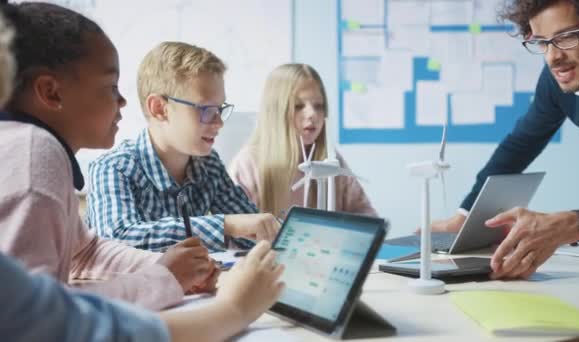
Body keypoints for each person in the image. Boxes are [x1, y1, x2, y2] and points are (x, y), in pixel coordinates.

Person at [0, 2, 218, 310]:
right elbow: (31, 316)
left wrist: (167, 266)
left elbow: (83, 253)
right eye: (110, 86)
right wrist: (165, 279)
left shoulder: (33, 148)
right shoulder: (33, 154)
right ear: (51, 92)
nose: (123, 101)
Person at [431, 0, 579, 279]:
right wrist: (465, 217)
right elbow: (521, 144)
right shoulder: (557, 83)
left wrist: (575, 223)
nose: (552, 57)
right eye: (542, 42)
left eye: (565, 37)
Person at [86, 41, 280, 253]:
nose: (219, 122)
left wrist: (274, 232)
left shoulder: (209, 164)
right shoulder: (113, 168)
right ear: (159, 108)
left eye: (220, 109)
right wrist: (226, 225)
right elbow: (118, 239)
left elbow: (252, 232)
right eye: (206, 109)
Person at [1, 241, 285, 342]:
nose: (122, 103)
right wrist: (233, 309)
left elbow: (87, 249)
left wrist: (171, 272)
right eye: (112, 99)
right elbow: (68, 326)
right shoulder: (35, 148)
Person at [230, 63, 376, 219]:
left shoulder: (330, 161)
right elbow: (235, 233)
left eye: (319, 106)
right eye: (298, 106)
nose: (312, 114)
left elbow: (367, 216)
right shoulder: (247, 165)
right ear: (275, 111)